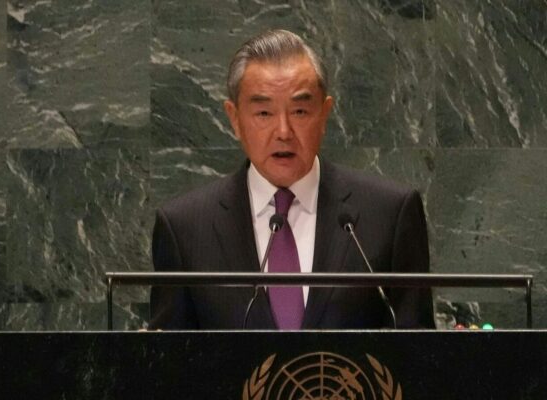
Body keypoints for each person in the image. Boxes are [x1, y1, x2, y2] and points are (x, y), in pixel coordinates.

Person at [149, 29, 434, 330]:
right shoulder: (185, 228)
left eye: (299, 111)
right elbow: (168, 365)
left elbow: (420, 356)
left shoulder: (388, 214)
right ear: (234, 119)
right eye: (263, 113)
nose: (283, 131)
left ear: (324, 114)